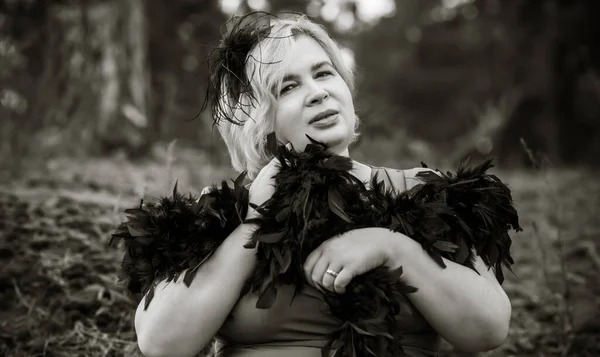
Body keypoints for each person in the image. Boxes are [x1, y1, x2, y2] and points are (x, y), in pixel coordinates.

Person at [132, 12, 512, 357]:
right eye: (287, 87)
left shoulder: (420, 190)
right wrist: (256, 222)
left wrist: (392, 248)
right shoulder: (222, 211)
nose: (317, 92)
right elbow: (162, 343)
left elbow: (488, 329)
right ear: (259, 119)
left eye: (324, 72)